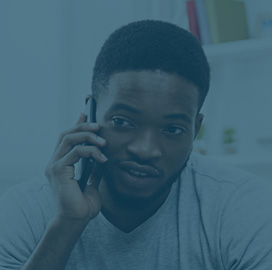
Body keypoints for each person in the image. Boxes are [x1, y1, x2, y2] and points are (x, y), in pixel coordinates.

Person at [1, 20, 272, 270]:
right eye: (122, 121)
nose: (145, 150)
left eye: (173, 129)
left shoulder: (242, 207)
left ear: (195, 129)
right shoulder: (26, 211)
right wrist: (67, 225)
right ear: (91, 114)